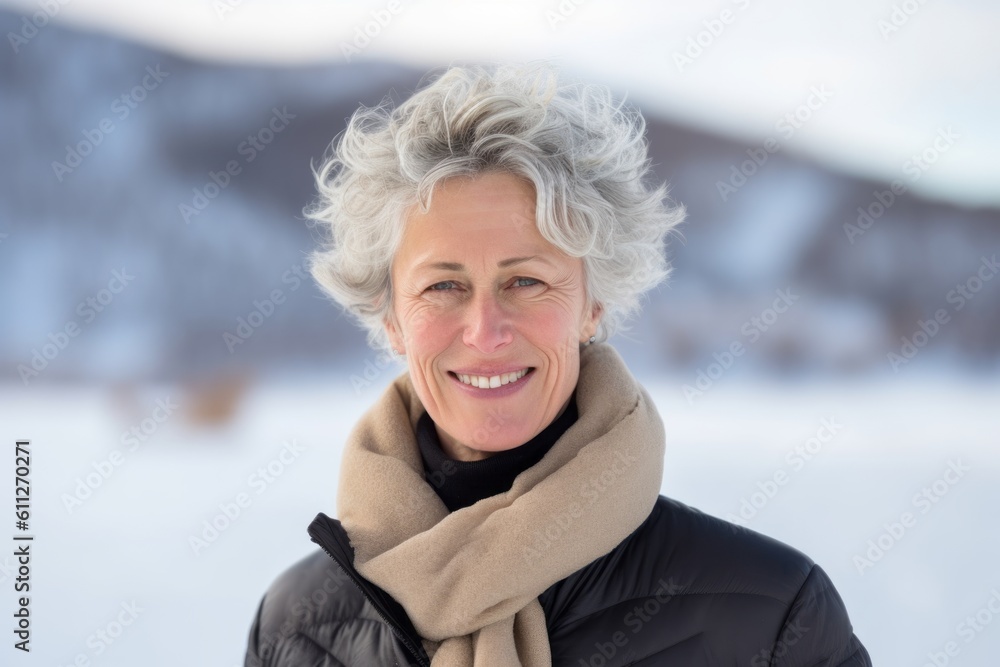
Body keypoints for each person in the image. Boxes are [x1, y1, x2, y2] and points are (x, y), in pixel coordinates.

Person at [243, 63, 872, 666]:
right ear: (391, 320)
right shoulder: (295, 629)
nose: (486, 333)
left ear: (593, 305)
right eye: (443, 286)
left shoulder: (770, 615)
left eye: (525, 281)